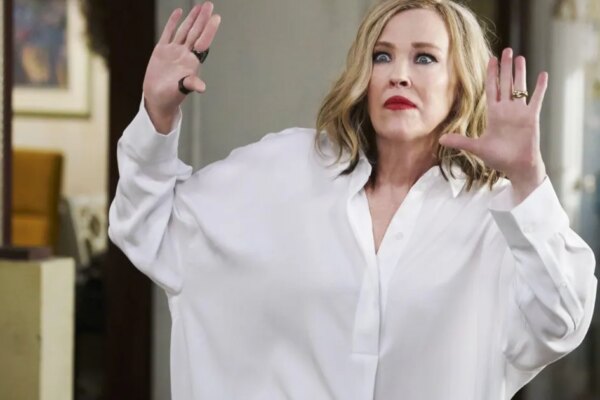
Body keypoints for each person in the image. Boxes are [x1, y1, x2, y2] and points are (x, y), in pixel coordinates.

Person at [108, 0, 597, 398]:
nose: (398, 74)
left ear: (460, 83)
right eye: (382, 56)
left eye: (424, 58)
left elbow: (563, 320)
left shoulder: (495, 212)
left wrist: (528, 180)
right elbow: (148, 226)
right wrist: (157, 113)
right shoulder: (284, 168)